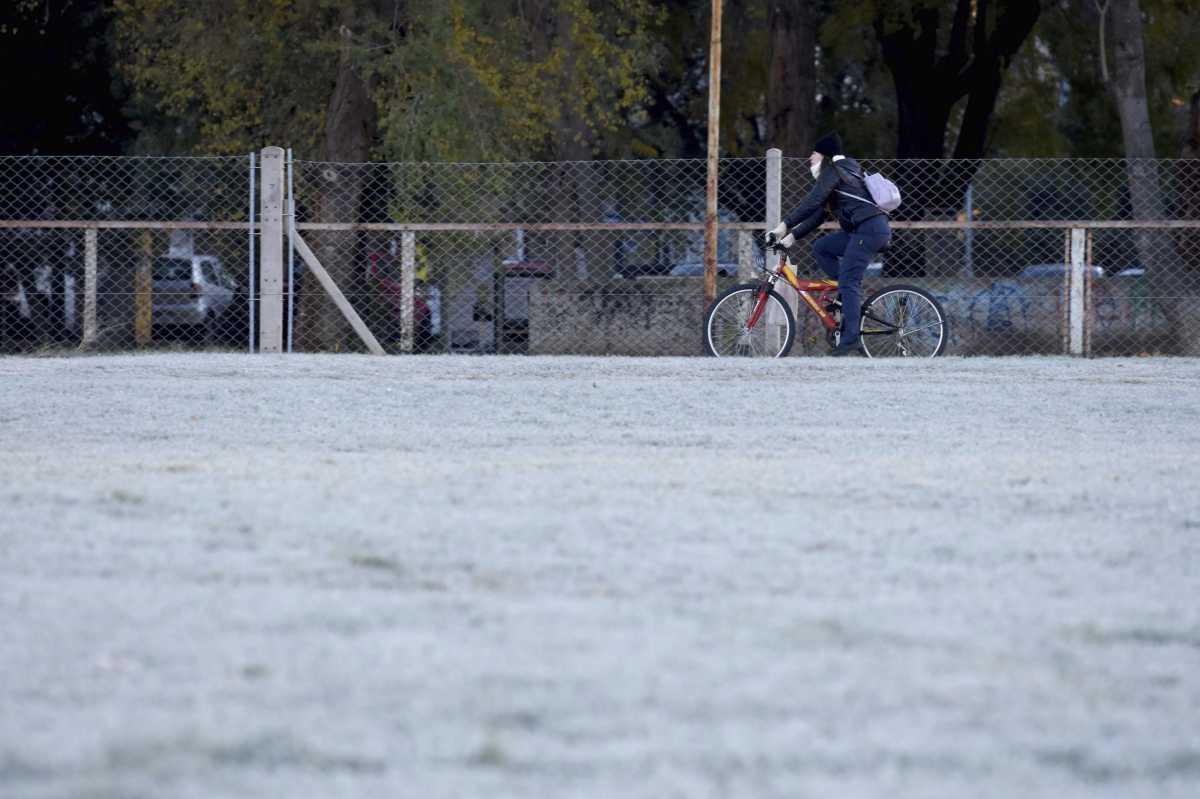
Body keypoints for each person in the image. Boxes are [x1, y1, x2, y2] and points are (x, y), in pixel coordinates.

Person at [766, 132, 891, 357]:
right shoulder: (844, 172)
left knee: (850, 283)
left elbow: (812, 201)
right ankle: (844, 292)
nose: (810, 159)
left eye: (814, 155)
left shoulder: (835, 171)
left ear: (825, 156)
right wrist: (790, 238)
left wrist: (783, 226)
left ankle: (850, 339)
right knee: (822, 248)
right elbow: (818, 216)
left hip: (868, 231)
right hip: (864, 231)